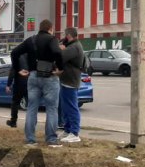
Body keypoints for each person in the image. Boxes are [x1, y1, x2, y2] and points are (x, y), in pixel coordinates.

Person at [10, 19, 64, 147]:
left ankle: (30, 140)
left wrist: (18, 69)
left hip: (33, 76)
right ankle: (51, 139)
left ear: (40, 28)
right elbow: (57, 52)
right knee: (51, 108)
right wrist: (60, 68)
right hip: (49, 77)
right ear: (50, 28)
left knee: (32, 108)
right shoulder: (52, 39)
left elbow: (14, 52)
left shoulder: (31, 40)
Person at [58, 27, 85, 143]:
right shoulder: (73, 45)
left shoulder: (74, 47)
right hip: (67, 80)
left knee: (72, 107)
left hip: (71, 81)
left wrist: (61, 49)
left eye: (65, 35)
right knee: (66, 107)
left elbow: (60, 57)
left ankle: (74, 133)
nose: (64, 37)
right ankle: (67, 130)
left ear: (69, 35)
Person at [5, 54, 28, 128]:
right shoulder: (30, 55)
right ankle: (31, 123)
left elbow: (13, 71)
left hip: (19, 83)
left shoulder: (17, 57)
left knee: (15, 103)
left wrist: (8, 84)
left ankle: (13, 122)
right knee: (31, 104)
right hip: (30, 83)